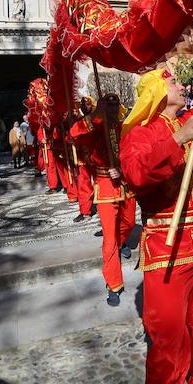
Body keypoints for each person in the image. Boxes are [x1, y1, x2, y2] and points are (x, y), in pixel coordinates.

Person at [120, 25, 193, 383]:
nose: (178, 82)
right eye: (170, 80)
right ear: (157, 93)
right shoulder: (138, 134)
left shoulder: (192, 118)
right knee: (169, 341)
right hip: (167, 249)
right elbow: (137, 173)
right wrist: (177, 139)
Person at [70, 93, 135, 306]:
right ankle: (113, 284)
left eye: (116, 105)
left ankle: (122, 240)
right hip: (106, 187)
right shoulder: (95, 128)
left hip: (126, 184)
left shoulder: (126, 128)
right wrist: (94, 116)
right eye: (108, 106)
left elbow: (137, 154)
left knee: (129, 223)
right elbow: (74, 132)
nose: (113, 109)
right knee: (109, 240)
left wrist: (123, 169)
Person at [72, 97, 96, 223]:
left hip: (99, 158)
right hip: (83, 158)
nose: (83, 106)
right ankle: (85, 211)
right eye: (82, 104)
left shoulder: (98, 119)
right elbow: (72, 134)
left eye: (86, 104)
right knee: (83, 185)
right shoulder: (78, 122)